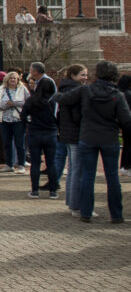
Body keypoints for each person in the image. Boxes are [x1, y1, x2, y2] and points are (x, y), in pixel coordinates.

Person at [56, 60, 128, 224]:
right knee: (112, 178)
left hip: (88, 137)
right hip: (109, 138)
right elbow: (126, 119)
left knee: (87, 176)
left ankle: (86, 212)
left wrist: (52, 95)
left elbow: (64, 98)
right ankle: (116, 214)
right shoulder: (117, 95)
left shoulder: (85, 90)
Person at [56, 64, 87, 215]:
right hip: (75, 133)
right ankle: (76, 205)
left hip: (67, 133)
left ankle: (71, 201)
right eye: (82, 75)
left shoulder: (64, 88)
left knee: (72, 169)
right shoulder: (76, 91)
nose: (85, 78)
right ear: (73, 76)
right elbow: (77, 115)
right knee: (76, 170)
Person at [21, 78, 59, 199]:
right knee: (51, 163)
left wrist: (29, 122)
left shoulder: (31, 100)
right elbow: (59, 117)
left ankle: (35, 190)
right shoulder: (54, 101)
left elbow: (23, 115)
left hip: (35, 132)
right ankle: (53, 190)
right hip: (51, 133)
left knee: (35, 163)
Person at [0, 71, 30, 174]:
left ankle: (21, 164)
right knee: (6, 143)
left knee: (20, 143)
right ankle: (9, 164)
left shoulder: (23, 89)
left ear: (18, 79)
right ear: (7, 80)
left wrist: (14, 103)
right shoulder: (1, 90)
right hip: (4, 120)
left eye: (14, 78)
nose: (13, 80)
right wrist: (4, 105)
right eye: (11, 78)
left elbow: (28, 102)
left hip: (18, 119)